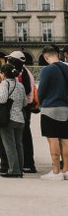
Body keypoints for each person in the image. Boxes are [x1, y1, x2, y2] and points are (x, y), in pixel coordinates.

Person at [37, 45, 68, 180]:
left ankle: (56, 171)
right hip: (65, 108)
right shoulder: (67, 68)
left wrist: (40, 103)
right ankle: (66, 170)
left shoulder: (47, 70)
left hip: (50, 108)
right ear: (57, 54)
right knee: (65, 140)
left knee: (53, 139)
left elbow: (41, 91)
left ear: (46, 57)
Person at [0, 62, 26, 178]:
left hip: (8, 118)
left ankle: (13, 170)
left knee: (9, 145)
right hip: (20, 118)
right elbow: (25, 102)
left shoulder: (5, 83)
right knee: (18, 145)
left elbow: (1, 99)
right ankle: (20, 169)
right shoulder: (20, 84)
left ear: (3, 74)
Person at [7, 51, 38, 173]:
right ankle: (26, 162)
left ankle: (28, 163)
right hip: (26, 107)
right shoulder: (26, 72)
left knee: (23, 136)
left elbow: (24, 92)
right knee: (24, 135)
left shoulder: (21, 74)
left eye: (10, 59)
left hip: (22, 107)